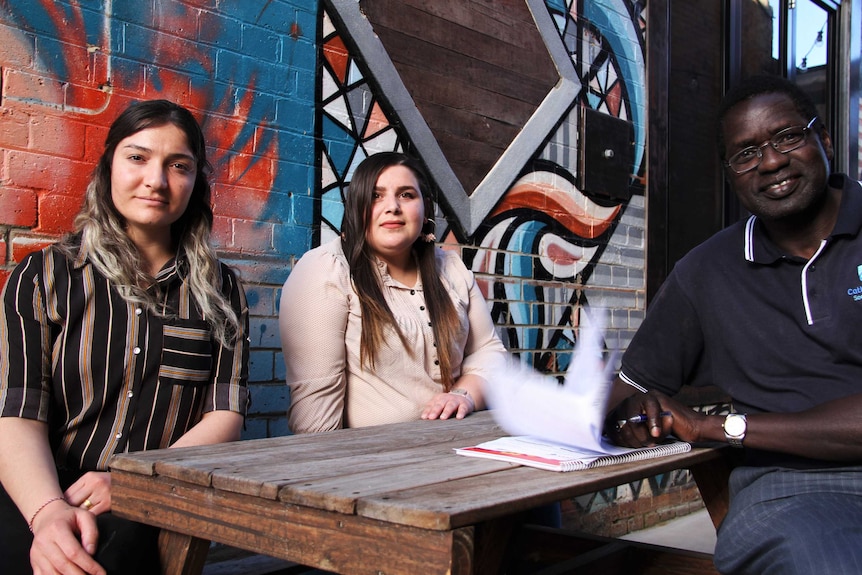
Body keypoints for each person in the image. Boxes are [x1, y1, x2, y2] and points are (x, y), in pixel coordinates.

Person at [604, 74, 862, 574]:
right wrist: (636, 416)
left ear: (823, 138)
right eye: (746, 153)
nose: (770, 162)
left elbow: (708, 427)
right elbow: (623, 397)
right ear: (730, 173)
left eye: (787, 137)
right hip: (789, 491)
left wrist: (714, 427)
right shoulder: (706, 273)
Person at [0, 100, 250, 575]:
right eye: (137, 157)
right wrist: (48, 511)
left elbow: (226, 417)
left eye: (179, 166)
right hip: (38, 484)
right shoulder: (44, 275)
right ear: (108, 166)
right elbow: (16, 411)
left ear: (196, 181)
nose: (156, 180)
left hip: (151, 493)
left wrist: (133, 481)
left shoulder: (222, 290)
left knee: (107, 558)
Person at [279, 152, 507, 433]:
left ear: (425, 213)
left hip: (458, 447)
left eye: (407, 195)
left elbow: (489, 351)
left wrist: (463, 395)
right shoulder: (325, 271)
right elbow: (315, 424)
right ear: (356, 209)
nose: (392, 207)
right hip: (373, 465)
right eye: (376, 196)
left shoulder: (452, 269)